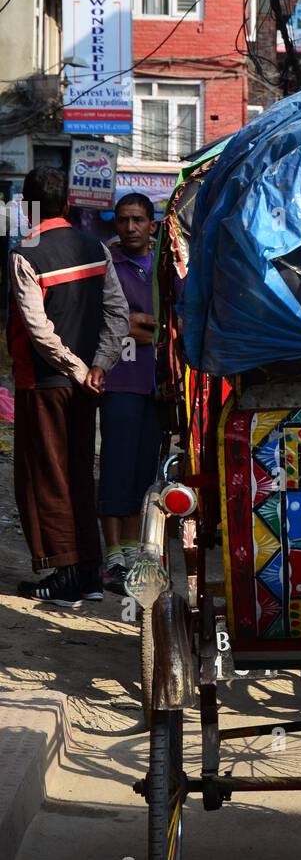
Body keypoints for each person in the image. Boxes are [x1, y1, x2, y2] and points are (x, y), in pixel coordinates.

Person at [7, 166, 129, 607]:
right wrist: (99, 366)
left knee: (48, 476)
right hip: (87, 384)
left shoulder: (27, 253)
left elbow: (37, 330)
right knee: (79, 471)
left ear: (27, 206)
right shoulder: (94, 246)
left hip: (45, 382)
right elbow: (118, 314)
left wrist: (78, 369)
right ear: (68, 205)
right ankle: (90, 572)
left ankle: (65, 576)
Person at [98, 193, 163, 594]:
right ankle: (113, 557)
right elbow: (113, 324)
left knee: (144, 472)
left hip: (158, 384)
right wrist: (138, 325)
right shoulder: (108, 262)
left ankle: (138, 552)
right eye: (123, 220)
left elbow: (174, 322)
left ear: (151, 225)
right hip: (120, 378)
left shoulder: (166, 264)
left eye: (138, 220)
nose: (130, 227)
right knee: (116, 469)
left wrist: (141, 322)